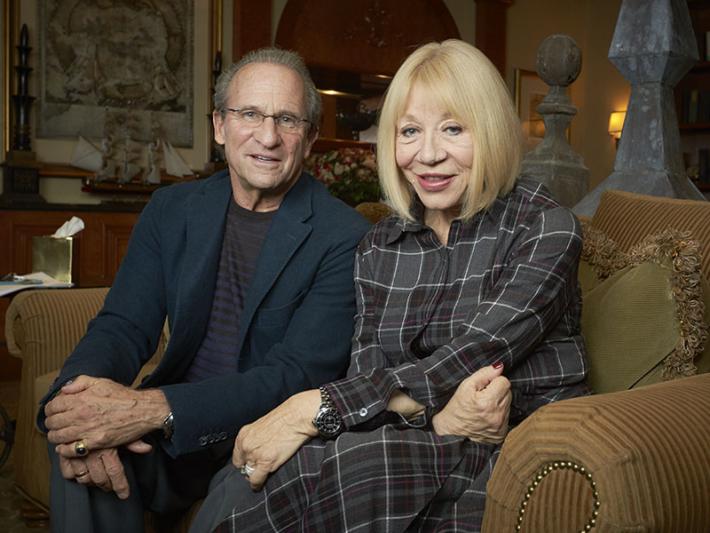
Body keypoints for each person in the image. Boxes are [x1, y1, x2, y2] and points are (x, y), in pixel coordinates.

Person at [190, 39, 589, 533]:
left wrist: (310, 407)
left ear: (490, 130)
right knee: (249, 478)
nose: (428, 155)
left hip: (507, 444)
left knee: (352, 462)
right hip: (409, 434)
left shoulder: (547, 228)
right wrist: (440, 420)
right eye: (409, 131)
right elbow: (369, 368)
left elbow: (476, 354)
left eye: (452, 129)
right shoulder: (381, 244)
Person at [39, 47, 370, 533]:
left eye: (287, 120)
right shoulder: (171, 208)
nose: (267, 136)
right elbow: (124, 325)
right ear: (219, 126)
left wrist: (151, 408)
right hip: (173, 434)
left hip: (264, 438)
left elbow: (293, 376)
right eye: (250, 114)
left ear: (311, 137)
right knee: (82, 450)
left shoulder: (344, 235)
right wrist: (72, 406)